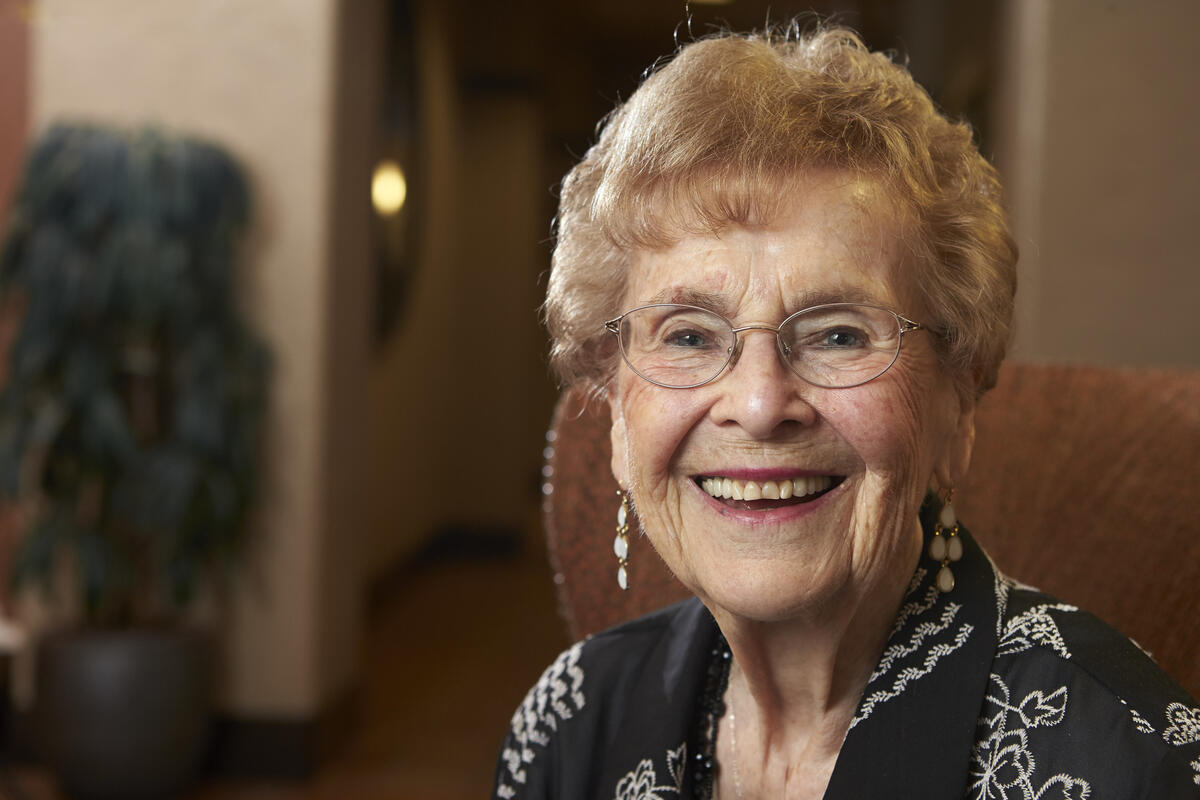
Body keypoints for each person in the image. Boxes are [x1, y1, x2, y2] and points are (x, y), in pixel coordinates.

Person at [493, 24, 1200, 800]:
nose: (761, 404)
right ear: (619, 416)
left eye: (837, 334)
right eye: (689, 335)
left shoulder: (1124, 765)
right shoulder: (569, 726)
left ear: (955, 405)